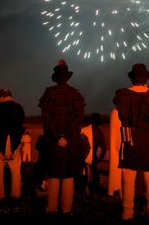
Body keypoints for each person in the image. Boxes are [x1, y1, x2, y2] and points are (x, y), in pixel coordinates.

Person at [113, 63, 149, 222]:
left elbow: (121, 116)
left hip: (130, 138)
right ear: (146, 79)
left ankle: (127, 212)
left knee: (128, 179)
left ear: (132, 78)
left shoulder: (123, 96)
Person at [39, 59, 86, 217]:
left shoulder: (48, 94)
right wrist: (67, 137)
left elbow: (47, 120)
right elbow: (77, 120)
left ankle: (51, 208)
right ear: (67, 77)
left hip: (53, 143)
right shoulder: (75, 94)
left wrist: (58, 137)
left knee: (54, 175)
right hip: (70, 143)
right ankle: (66, 209)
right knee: (68, 176)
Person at [0, 88, 26, 213]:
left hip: (0, 141)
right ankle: (15, 200)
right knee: (16, 171)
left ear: (0, 97)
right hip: (15, 142)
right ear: (11, 95)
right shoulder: (18, 108)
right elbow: (22, 121)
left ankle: (0, 199)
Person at [107, 104, 122, 198]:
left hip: (118, 144)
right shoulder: (117, 112)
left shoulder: (114, 112)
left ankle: (115, 189)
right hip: (119, 144)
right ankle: (119, 190)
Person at [89, 112, 106, 194]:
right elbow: (102, 147)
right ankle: (95, 189)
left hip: (86, 155)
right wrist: (100, 158)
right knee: (95, 173)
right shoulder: (98, 131)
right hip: (94, 157)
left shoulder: (86, 129)